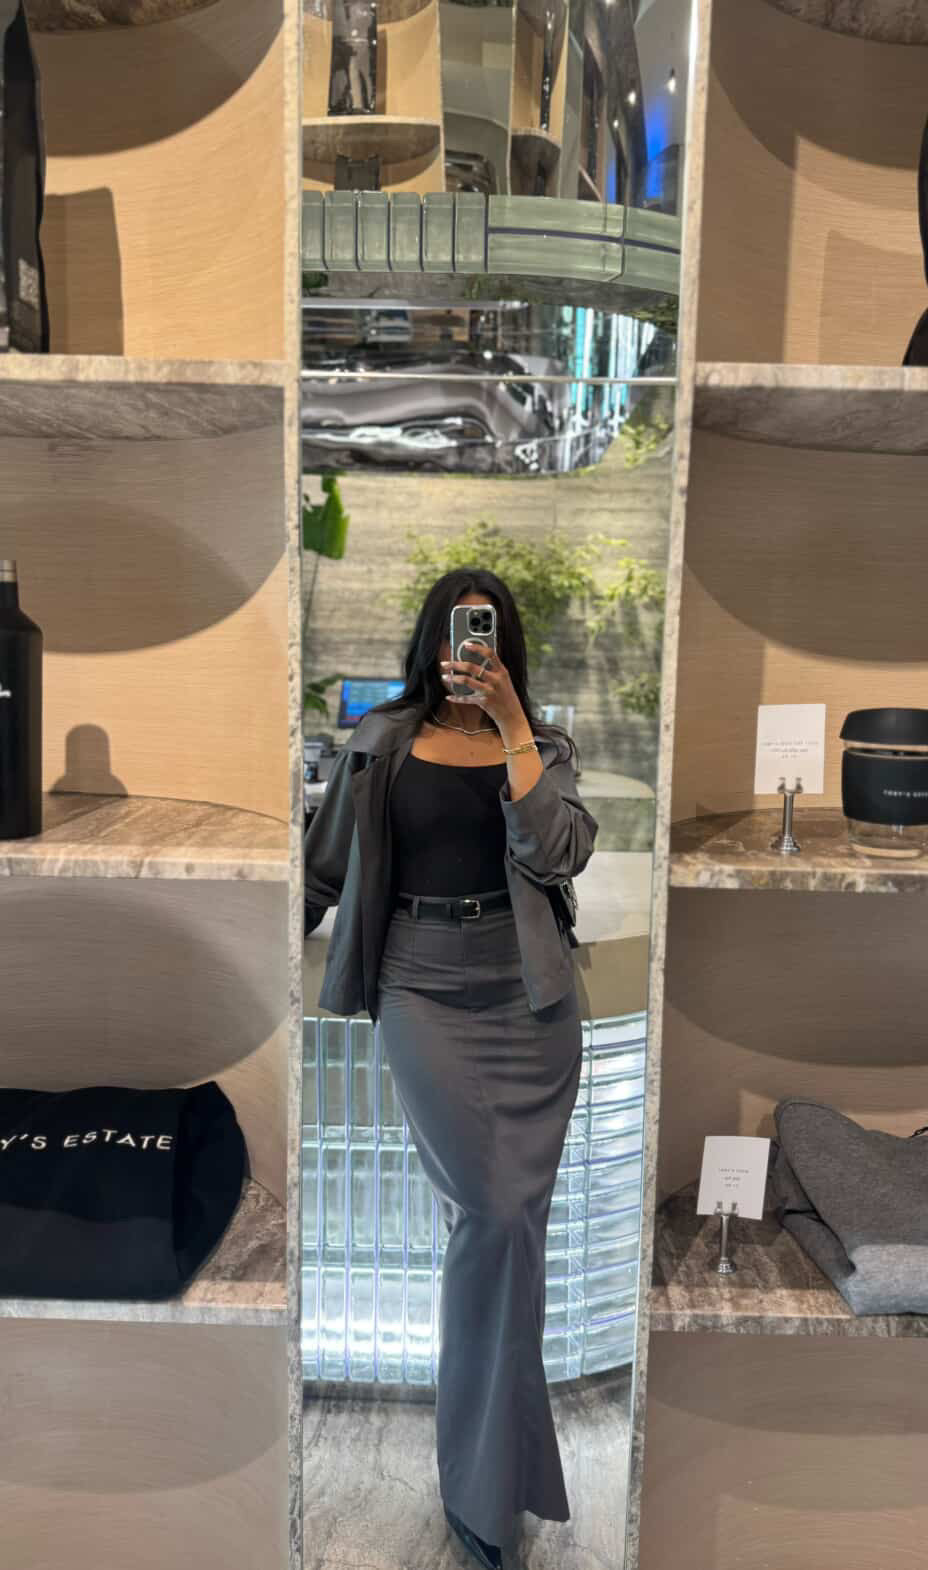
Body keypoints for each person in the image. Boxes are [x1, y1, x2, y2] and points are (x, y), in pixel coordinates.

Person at [304, 567, 598, 1569]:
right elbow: (324, 865)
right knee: (491, 1217)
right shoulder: (382, 739)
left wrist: (513, 726)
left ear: (507, 647)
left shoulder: (544, 747)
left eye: (487, 634)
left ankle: (494, 1481)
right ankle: (488, 1482)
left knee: (512, 1233)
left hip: (529, 999)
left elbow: (557, 853)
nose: (467, 649)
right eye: (455, 631)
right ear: (430, 639)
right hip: (421, 988)